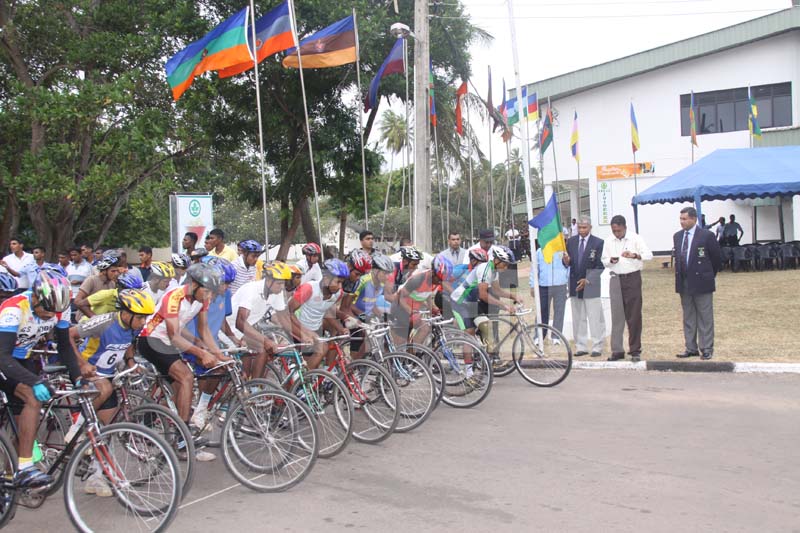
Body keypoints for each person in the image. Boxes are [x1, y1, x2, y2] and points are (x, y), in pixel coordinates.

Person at [0, 271, 89, 488]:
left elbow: (66, 346)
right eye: (46, 311)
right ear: (36, 297)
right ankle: (25, 468)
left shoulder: (59, 308)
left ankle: (12, 474)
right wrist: (34, 381)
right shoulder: (14, 309)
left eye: (55, 312)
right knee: (32, 395)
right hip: (4, 357)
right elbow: (3, 356)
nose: (50, 316)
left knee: (24, 422)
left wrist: (77, 377)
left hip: (22, 358)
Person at [68, 288, 156, 496]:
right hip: (87, 371)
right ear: (126, 313)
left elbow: (127, 344)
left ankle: (96, 476)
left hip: (106, 373)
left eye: (145, 318)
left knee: (107, 427)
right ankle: (77, 428)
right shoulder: (105, 322)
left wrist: (131, 361)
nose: (143, 323)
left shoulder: (132, 326)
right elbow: (68, 336)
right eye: (140, 318)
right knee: (105, 388)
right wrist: (81, 365)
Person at [137, 263, 231, 430]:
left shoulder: (201, 299)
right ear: (194, 284)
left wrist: (218, 353)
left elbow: (204, 330)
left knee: (179, 390)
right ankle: (183, 436)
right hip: (151, 339)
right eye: (207, 291)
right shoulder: (174, 297)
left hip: (169, 341)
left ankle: (149, 422)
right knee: (186, 377)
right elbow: (173, 335)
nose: (209, 296)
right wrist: (202, 353)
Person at [601, 215, 652, 362]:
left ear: (624, 227)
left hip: (632, 278)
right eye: (614, 231)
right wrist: (610, 260)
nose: (616, 233)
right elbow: (604, 260)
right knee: (617, 316)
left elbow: (648, 255)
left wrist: (634, 255)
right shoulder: (608, 240)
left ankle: (635, 349)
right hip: (615, 278)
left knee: (634, 315)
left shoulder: (635, 238)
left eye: (619, 230)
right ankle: (617, 350)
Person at [674, 207, 722, 360]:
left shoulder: (706, 236)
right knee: (688, 316)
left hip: (702, 281)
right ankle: (691, 348)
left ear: (694, 219)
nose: (682, 222)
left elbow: (716, 258)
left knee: (705, 316)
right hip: (684, 282)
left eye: (685, 219)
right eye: (681, 219)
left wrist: (708, 275)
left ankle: (706, 348)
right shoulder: (678, 236)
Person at [229, 263, 292, 379]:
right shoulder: (251, 290)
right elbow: (240, 322)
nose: (282, 287)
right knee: (260, 349)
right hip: (228, 329)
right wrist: (266, 341)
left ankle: (254, 389)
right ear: (268, 281)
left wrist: (300, 336)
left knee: (263, 351)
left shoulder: (275, 291)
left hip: (244, 330)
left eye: (283, 283)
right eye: (279, 283)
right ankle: (250, 389)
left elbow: (282, 319)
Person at [287, 259, 349, 370]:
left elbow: (327, 310)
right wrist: (306, 332)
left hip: (315, 329)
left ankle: (306, 379)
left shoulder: (337, 294)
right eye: (338, 282)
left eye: (342, 283)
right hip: (296, 326)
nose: (340, 287)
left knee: (310, 363)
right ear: (326, 279)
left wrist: (341, 328)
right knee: (322, 349)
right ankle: (301, 383)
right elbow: (288, 312)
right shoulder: (309, 289)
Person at [563, 216, 606, 357]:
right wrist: (566, 261)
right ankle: (580, 346)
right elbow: (568, 263)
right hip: (575, 283)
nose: (582, 230)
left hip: (591, 284)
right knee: (578, 317)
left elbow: (600, 266)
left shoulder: (598, 243)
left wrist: (587, 280)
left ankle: (597, 346)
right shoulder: (571, 242)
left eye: (584, 228)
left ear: (590, 227)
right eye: (580, 227)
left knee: (595, 317)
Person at [534, 246, 568, 347]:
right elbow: (535, 268)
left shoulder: (562, 251)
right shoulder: (540, 251)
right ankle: (539, 336)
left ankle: (556, 336)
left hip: (560, 285)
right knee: (542, 311)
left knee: (559, 311)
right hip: (544, 285)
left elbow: (568, 266)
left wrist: (567, 282)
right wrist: (532, 285)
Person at [74, 250, 122, 320]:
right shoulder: (91, 280)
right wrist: (94, 318)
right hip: (85, 320)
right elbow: (77, 301)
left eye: (117, 271)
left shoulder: (112, 283)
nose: (116, 274)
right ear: (104, 271)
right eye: (113, 271)